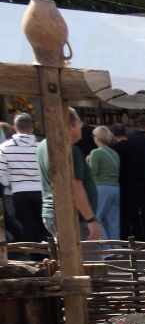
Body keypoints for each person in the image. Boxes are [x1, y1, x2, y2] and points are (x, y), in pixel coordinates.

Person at [37, 107, 102, 259]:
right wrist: (90, 219)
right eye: (79, 122)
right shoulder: (68, 149)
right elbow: (75, 187)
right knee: (90, 266)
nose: (82, 126)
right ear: (70, 124)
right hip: (73, 216)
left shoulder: (42, 145)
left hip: (53, 212)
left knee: (69, 261)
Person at [0, 113, 45, 246]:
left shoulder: (4, 147)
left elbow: (0, 172)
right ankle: (50, 255)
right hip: (40, 190)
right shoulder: (41, 146)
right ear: (32, 128)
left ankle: (36, 258)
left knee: (28, 227)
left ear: (14, 127)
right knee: (44, 227)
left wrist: (9, 184)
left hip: (19, 192)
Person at [86, 125, 121, 250]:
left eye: (94, 136)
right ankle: (117, 249)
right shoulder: (114, 153)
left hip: (101, 187)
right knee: (113, 221)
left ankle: (106, 249)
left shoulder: (95, 153)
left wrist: (87, 161)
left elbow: (92, 172)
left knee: (97, 218)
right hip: (115, 188)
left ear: (98, 137)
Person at [110, 124, 138, 239]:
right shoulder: (135, 146)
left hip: (123, 183)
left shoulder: (115, 149)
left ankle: (125, 237)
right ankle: (140, 237)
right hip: (137, 183)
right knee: (135, 213)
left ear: (113, 134)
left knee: (123, 214)